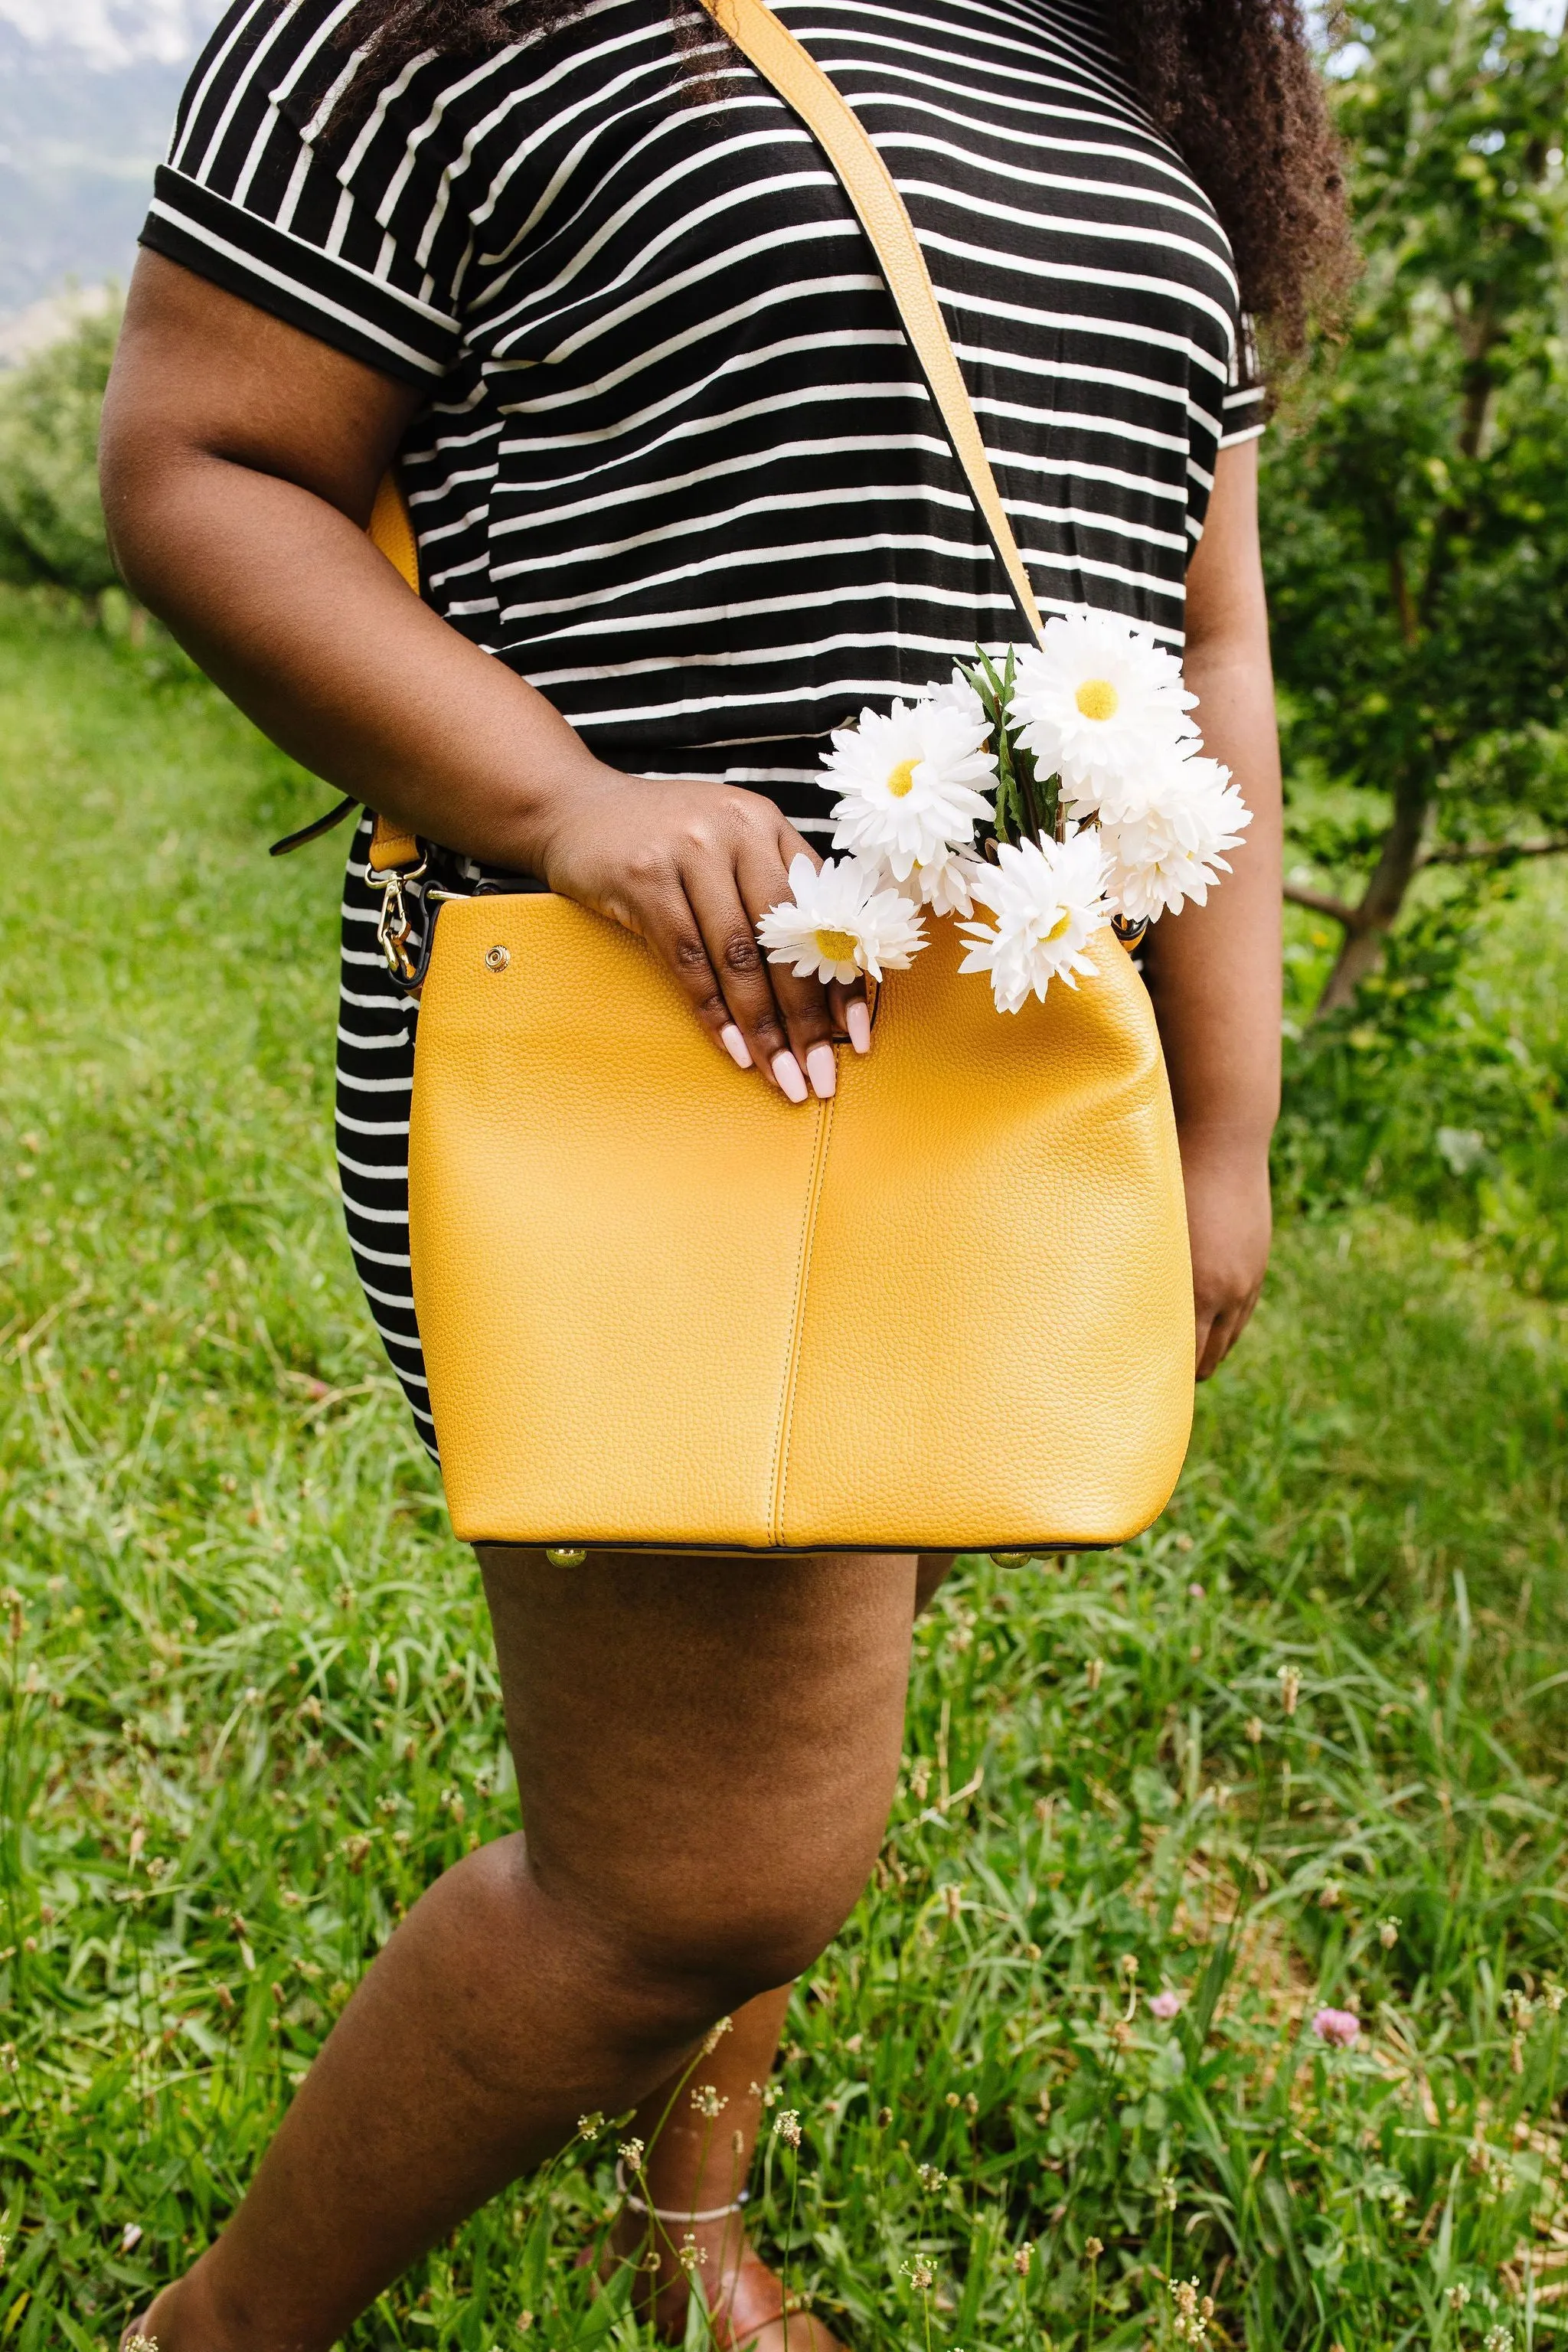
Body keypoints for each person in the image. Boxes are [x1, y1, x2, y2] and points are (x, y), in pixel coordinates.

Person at [100, 0, 1346, 2337]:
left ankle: (686, 2235)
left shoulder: (1134, 70)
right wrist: (566, 794)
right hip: (658, 1078)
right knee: (698, 1876)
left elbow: (1205, 633)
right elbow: (202, 458)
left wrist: (1221, 1120)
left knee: (827, 1644)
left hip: (1008, 1095)